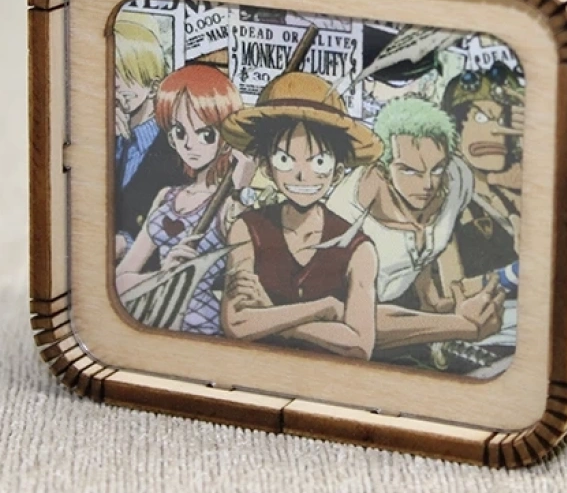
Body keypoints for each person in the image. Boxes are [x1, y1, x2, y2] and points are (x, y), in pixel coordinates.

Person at [219, 72, 382, 360]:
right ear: (267, 167)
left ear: (337, 172)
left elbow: (359, 344)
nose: (301, 175)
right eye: (285, 159)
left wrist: (271, 313)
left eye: (319, 161)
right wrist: (321, 310)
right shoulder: (247, 229)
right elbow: (237, 323)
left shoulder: (358, 247)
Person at [327, 96, 505, 350]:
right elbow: (350, 322)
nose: (427, 184)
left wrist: (431, 296)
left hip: (412, 310)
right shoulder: (342, 216)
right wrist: (463, 326)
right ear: (383, 169)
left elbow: (438, 237)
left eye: (437, 169)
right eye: (409, 170)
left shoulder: (456, 178)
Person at [115, 64, 254, 335]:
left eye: (205, 134)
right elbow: (120, 280)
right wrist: (163, 275)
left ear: (226, 139)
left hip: (206, 330)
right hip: (158, 322)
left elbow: (247, 276)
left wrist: (241, 190)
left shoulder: (229, 205)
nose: (190, 144)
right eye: (179, 132)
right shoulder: (167, 197)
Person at [441, 62, 523, 295]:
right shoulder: (445, 202)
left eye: (502, 120)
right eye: (480, 118)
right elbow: (451, 290)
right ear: (454, 132)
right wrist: (513, 275)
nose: (496, 132)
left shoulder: (509, 198)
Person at [113, 18, 188, 259]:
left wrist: (125, 243)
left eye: (126, 75)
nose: (114, 84)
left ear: (154, 87)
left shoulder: (176, 147)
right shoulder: (108, 137)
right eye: (108, 71)